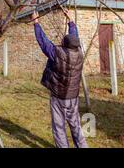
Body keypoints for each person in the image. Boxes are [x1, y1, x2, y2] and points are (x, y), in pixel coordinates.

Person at [31, 9, 88, 148]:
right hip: (73, 97)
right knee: (76, 127)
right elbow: (74, 37)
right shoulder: (79, 52)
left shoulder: (57, 53)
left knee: (59, 128)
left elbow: (43, 42)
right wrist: (71, 21)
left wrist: (36, 23)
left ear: (65, 44)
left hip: (59, 97)